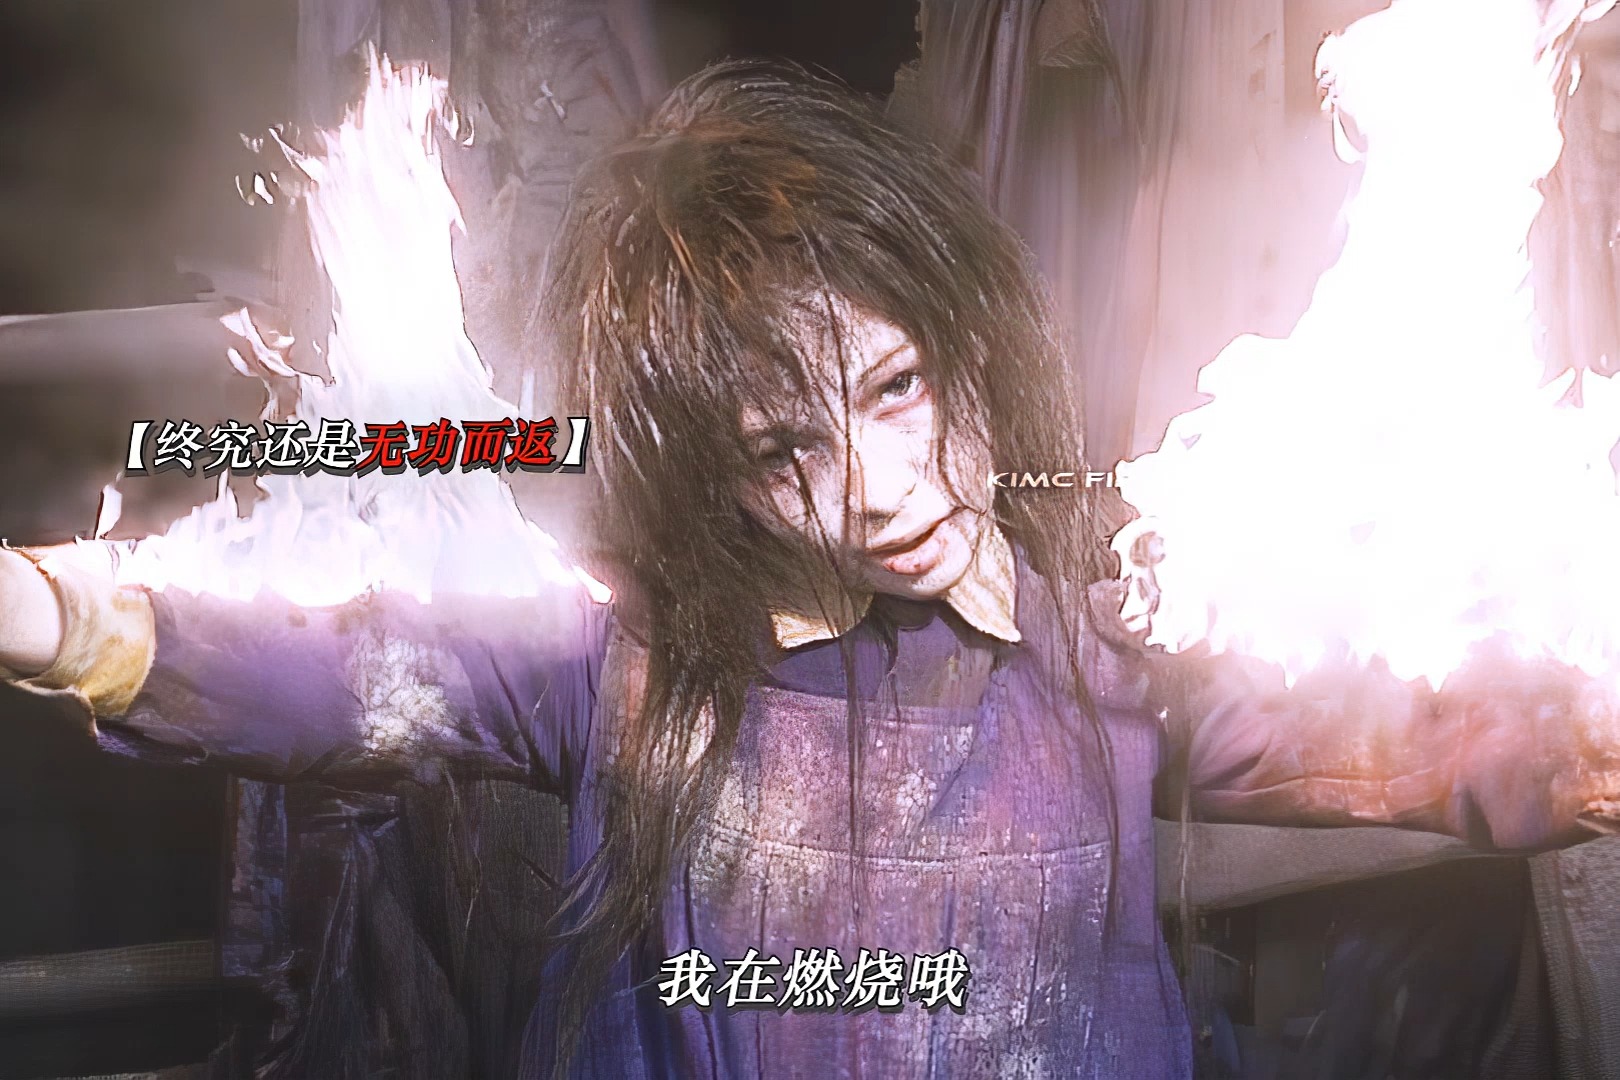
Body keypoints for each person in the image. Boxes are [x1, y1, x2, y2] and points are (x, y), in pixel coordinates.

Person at [0, 61, 1615, 1080]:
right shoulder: (609, 668)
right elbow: (325, 674)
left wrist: (1578, 737)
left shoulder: (1103, 659)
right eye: (785, 451)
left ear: (961, 345)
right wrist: (57, 615)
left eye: (898, 388)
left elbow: (1435, 745)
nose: (883, 489)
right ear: (711, 476)